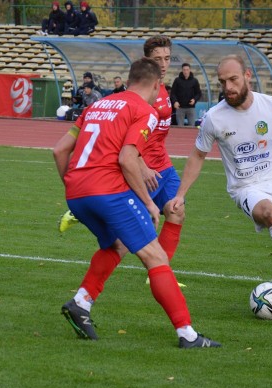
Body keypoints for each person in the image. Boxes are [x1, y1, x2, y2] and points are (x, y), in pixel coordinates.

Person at [53, 57, 220, 349]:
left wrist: (73, 185)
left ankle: (81, 302)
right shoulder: (144, 110)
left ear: (129, 80)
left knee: (116, 245)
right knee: (155, 256)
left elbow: (59, 150)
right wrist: (149, 203)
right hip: (108, 192)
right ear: (156, 85)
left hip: (76, 193)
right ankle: (187, 334)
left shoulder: (96, 105)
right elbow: (127, 158)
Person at [169, 54, 272, 316]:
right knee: (270, 214)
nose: (228, 87)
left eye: (233, 79)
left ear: (247, 76)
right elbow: (197, 156)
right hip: (246, 187)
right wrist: (181, 194)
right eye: (223, 82)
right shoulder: (214, 118)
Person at [60, 36, 187, 289]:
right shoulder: (139, 95)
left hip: (163, 165)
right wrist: (141, 166)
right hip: (141, 168)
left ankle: (158, 274)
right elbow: (123, 143)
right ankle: (78, 213)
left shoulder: (163, 91)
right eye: (158, 59)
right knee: (126, 238)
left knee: (177, 211)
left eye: (167, 58)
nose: (163, 64)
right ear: (146, 61)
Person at [170, 62, 201, 127]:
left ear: (190, 70)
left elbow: (198, 93)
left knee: (191, 127)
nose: (186, 71)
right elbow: (172, 93)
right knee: (180, 127)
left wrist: (194, 100)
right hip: (180, 108)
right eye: (184, 70)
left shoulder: (194, 81)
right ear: (182, 70)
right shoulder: (177, 80)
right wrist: (175, 101)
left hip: (191, 108)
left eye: (187, 70)